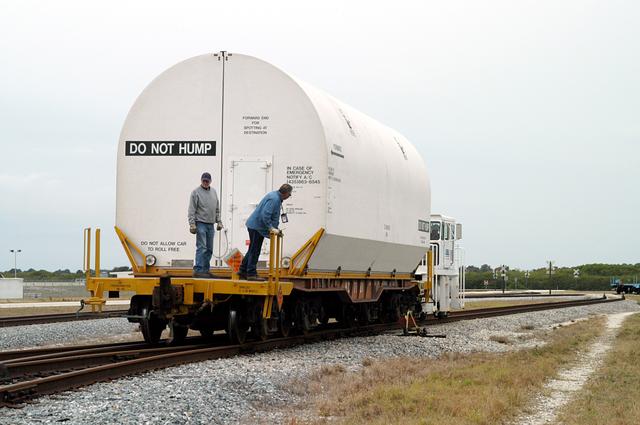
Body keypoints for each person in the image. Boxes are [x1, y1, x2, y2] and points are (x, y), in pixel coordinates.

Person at [239, 184, 293, 281]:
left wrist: (275, 228)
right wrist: (271, 228)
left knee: (252, 249)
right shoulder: (275, 199)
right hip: (257, 227)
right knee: (255, 250)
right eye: (289, 194)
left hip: (255, 226)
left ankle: (243, 270)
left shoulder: (275, 197)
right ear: (285, 193)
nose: (289, 196)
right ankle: (251, 274)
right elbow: (265, 215)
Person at [188, 172, 222, 278]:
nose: (205, 182)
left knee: (209, 249)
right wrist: (192, 224)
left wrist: (219, 221)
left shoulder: (214, 192)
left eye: (207, 181)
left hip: (210, 224)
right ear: (201, 180)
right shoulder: (195, 192)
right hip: (200, 223)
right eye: (204, 180)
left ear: (210, 181)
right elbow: (191, 209)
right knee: (202, 247)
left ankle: (205, 270)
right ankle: (198, 270)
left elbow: (217, 208)